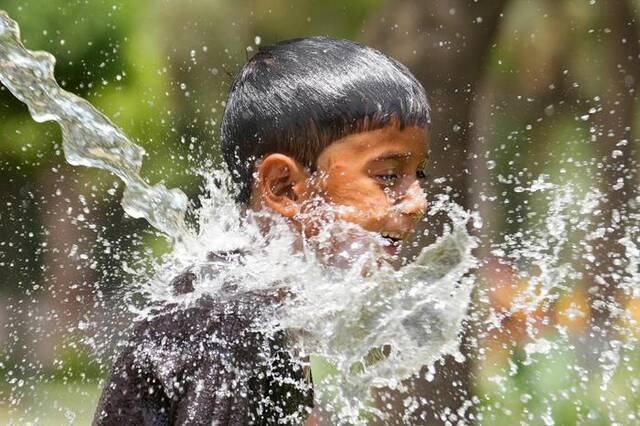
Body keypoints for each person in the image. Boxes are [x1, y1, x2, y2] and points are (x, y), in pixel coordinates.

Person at [93, 36, 430, 425]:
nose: (418, 201)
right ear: (284, 187)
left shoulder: (265, 302)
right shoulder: (227, 319)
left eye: (417, 173)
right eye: (388, 176)